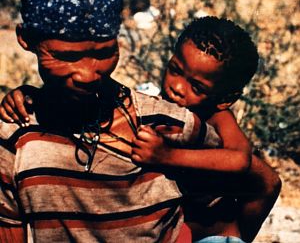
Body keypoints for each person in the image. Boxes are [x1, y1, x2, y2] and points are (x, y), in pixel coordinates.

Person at [0, 0, 221, 242]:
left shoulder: (164, 123)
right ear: (26, 40)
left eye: (104, 53)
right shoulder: (16, 139)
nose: (88, 74)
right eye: (66, 57)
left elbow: (245, 192)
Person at [1, 17, 281, 242]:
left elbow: (241, 160)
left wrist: (167, 156)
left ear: (224, 99)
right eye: (174, 69)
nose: (177, 87)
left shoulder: (219, 118)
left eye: (196, 87)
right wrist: (31, 96)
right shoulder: (150, 108)